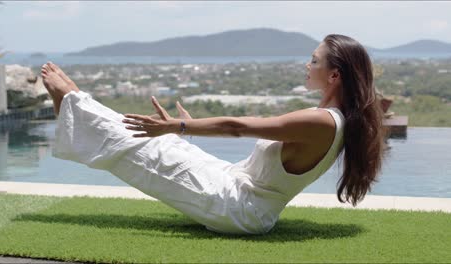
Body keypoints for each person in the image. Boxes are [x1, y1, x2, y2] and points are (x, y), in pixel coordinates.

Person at [41, 34, 386, 235]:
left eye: (313, 61)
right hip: (238, 189)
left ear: (334, 75)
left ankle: (74, 101)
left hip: (238, 208)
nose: (307, 66)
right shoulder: (330, 118)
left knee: (146, 149)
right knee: (163, 144)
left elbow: (238, 127)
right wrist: (180, 132)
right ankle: (76, 109)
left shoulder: (323, 121)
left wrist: (178, 126)